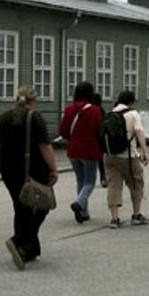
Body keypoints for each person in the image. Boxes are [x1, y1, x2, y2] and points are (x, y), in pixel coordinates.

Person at [0, 86, 58, 270]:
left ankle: (28, 249)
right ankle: (19, 241)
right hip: (31, 169)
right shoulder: (34, 117)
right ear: (34, 100)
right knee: (42, 206)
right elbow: (45, 146)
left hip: (7, 169)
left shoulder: (2, 118)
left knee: (20, 205)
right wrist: (54, 169)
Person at [105, 90, 149, 228]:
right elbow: (139, 132)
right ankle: (136, 215)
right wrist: (144, 151)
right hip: (128, 156)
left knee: (114, 185)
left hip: (109, 155)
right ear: (131, 102)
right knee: (136, 183)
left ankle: (115, 219)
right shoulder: (133, 114)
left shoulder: (110, 113)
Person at [60, 81, 101, 224]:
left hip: (73, 150)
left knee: (80, 180)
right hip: (89, 150)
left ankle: (84, 213)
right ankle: (78, 204)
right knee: (90, 181)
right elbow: (99, 131)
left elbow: (64, 131)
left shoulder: (69, 109)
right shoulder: (94, 110)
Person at [93, 93, 108, 187]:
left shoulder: (90, 110)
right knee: (101, 161)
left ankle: (90, 179)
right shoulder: (101, 110)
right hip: (100, 139)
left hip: (92, 138)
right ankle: (103, 178)